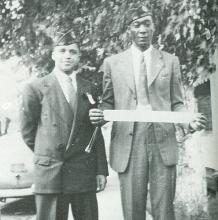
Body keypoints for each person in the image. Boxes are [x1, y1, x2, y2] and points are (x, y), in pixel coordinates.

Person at [89, 4, 207, 220]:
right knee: (133, 210)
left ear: (154, 28)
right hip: (129, 144)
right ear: (129, 30)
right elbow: (107, 103)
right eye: (137, 25)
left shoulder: (170, 62)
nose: (142, 29)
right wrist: (99, 114)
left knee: (164, 210)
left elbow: (177, 104)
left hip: (162, 140)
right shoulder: (113, 63)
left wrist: (188, 122)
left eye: (147, 24)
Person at [20, 30, 108, 220]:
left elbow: (95, 131)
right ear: (53, 55)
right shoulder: (35, 88)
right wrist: (49, 153)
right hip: (51, 172)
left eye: (72, 52)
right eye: (62, 51)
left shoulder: (89, 88)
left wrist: (101, 170)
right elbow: (28, 132)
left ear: (78, 57)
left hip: (82, 171)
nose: (67, 56)